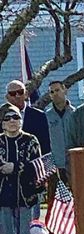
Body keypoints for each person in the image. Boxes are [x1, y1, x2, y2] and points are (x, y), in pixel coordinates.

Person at [0, 105, 44, 234]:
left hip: (26, 196)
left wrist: (15, 167)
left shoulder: (31, 140)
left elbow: (36, 166)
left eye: (16, 117)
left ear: (21, 120)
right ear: (2, 123)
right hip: (3, 196)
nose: (12, 121)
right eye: (7, 118)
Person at [5, 79, 51, 219]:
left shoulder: (39, 116)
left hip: (31, 177)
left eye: (20, 92)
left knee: (31, 223)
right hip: (6, 179)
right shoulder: (2, 117)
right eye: (13, 93)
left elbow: (46, 146)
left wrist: (46, 174)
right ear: (7, 97)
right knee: (8, 226)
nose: (17, 96)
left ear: (25, 94)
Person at [45, 80, 75, 234]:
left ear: (65, 90)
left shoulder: (76, 114)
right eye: (51, 92)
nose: (55, 94)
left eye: (57, 90)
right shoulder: (47, 116)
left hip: (74, 165)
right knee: (52, 205)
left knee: (78, 202)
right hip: (55, 167)